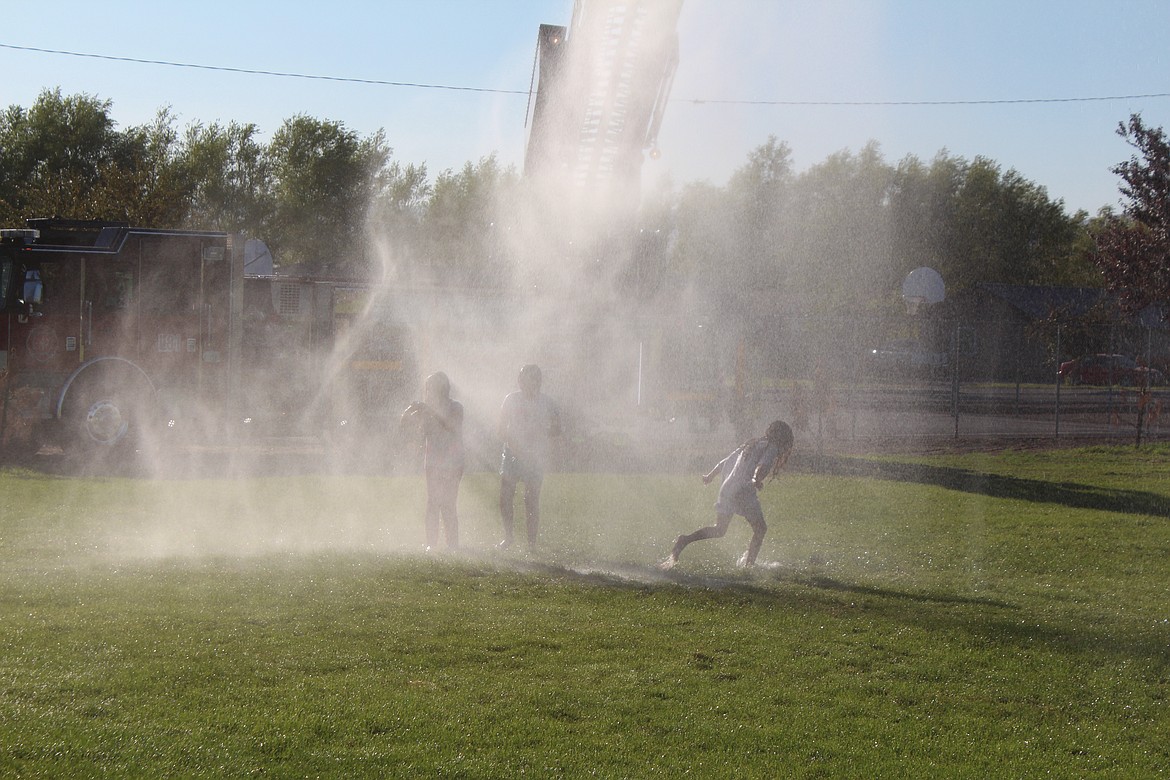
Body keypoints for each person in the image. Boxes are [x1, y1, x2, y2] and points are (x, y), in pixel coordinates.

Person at [662, 420, 794, 569]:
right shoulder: (771, 447)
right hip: (743, 491)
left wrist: (710, 476)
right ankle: (749, 565)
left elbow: (726, 461)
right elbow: (762, 465)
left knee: (719, 529)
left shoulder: (751, 444)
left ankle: (685, 540)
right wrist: (756, 479)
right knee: (760, 529)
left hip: (728, 488)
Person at [497, 364, 561, 549]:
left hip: (535, 457)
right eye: (520, 378)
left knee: (531, 499)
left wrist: (542, 431)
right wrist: (514, 444)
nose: (522, 382)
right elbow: (501, 428)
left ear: (537, 381)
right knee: (505, 497)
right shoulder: (510, 399)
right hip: (512, 453)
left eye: (527, 378)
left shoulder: (548, 403)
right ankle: (508, 537)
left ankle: (531, 543)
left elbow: (557, 429)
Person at [401, 372, 465, 551]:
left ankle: (453, 545)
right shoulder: (427, 410)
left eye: (430, 388)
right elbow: (407, 428)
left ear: (441, 389)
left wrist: (430, 411)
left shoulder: (456, 407)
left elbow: (451, 426)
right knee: (432, 503)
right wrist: (407, 414)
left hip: (453, 462)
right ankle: (431, 544)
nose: (427, 392)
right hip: (433, 462)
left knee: (448, 504)